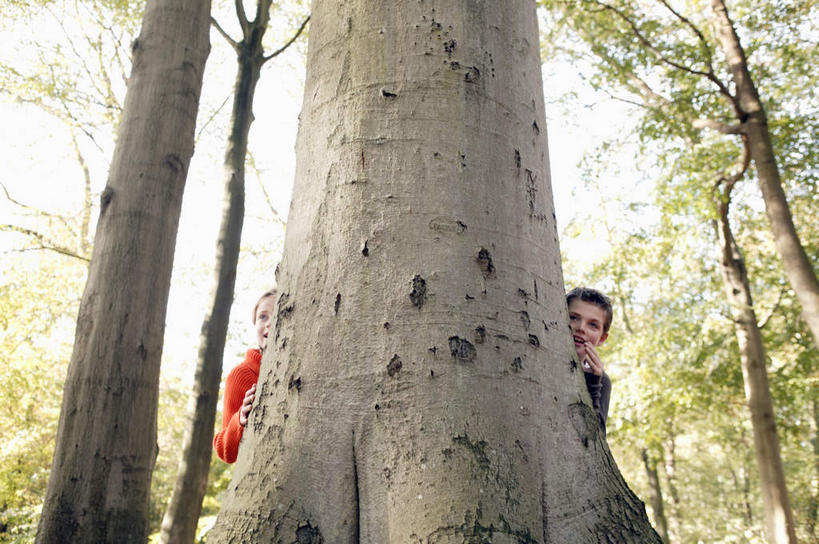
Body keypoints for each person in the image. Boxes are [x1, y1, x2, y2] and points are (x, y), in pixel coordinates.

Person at [213, 290, 277, 463]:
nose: (269, 322)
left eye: (277, 312)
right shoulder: (241, 374)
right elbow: (224, 452)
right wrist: (240, 418)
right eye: (262, 317)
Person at [567, 286, 613, 436]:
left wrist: (594, 382)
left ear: (602, 338)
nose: (581, 328)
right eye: (573, 317)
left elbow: (596, 441)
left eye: (593, 325)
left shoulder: (601, 381)